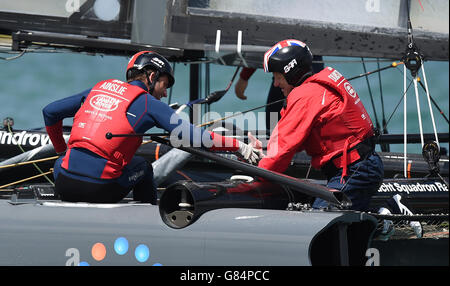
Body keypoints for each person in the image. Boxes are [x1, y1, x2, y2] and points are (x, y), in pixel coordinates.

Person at [43, 51, 263, 204]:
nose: (165, 93)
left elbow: (50, 112)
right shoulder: (148, 102)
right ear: (151, 76)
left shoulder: (98, 88)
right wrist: (239, 147)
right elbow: (195, 137)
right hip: (99, 188)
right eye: (164, 85)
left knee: (64, 160)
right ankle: (147, 219)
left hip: (63, 181)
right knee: (143, 166)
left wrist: (61, 150)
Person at [257, 39, 384, 211]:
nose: (276, 84)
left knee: (321, 219)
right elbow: (296, 136)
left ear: (291, 73)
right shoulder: (317, 85)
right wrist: (265, 148)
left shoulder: (305, 96)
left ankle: (388, 211)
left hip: (355, 170)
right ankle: (385, 213)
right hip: (361, 166)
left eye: (278, 77)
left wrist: (258, 177)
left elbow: (283, 149)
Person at [234, 56, 324, 131]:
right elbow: (263, 39)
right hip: (285, 67)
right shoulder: (279, 82)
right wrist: (244, 76)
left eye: (278, 79)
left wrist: (244, 77)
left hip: (308, 67)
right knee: (273, 125)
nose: (275, 83)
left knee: (311, 125)